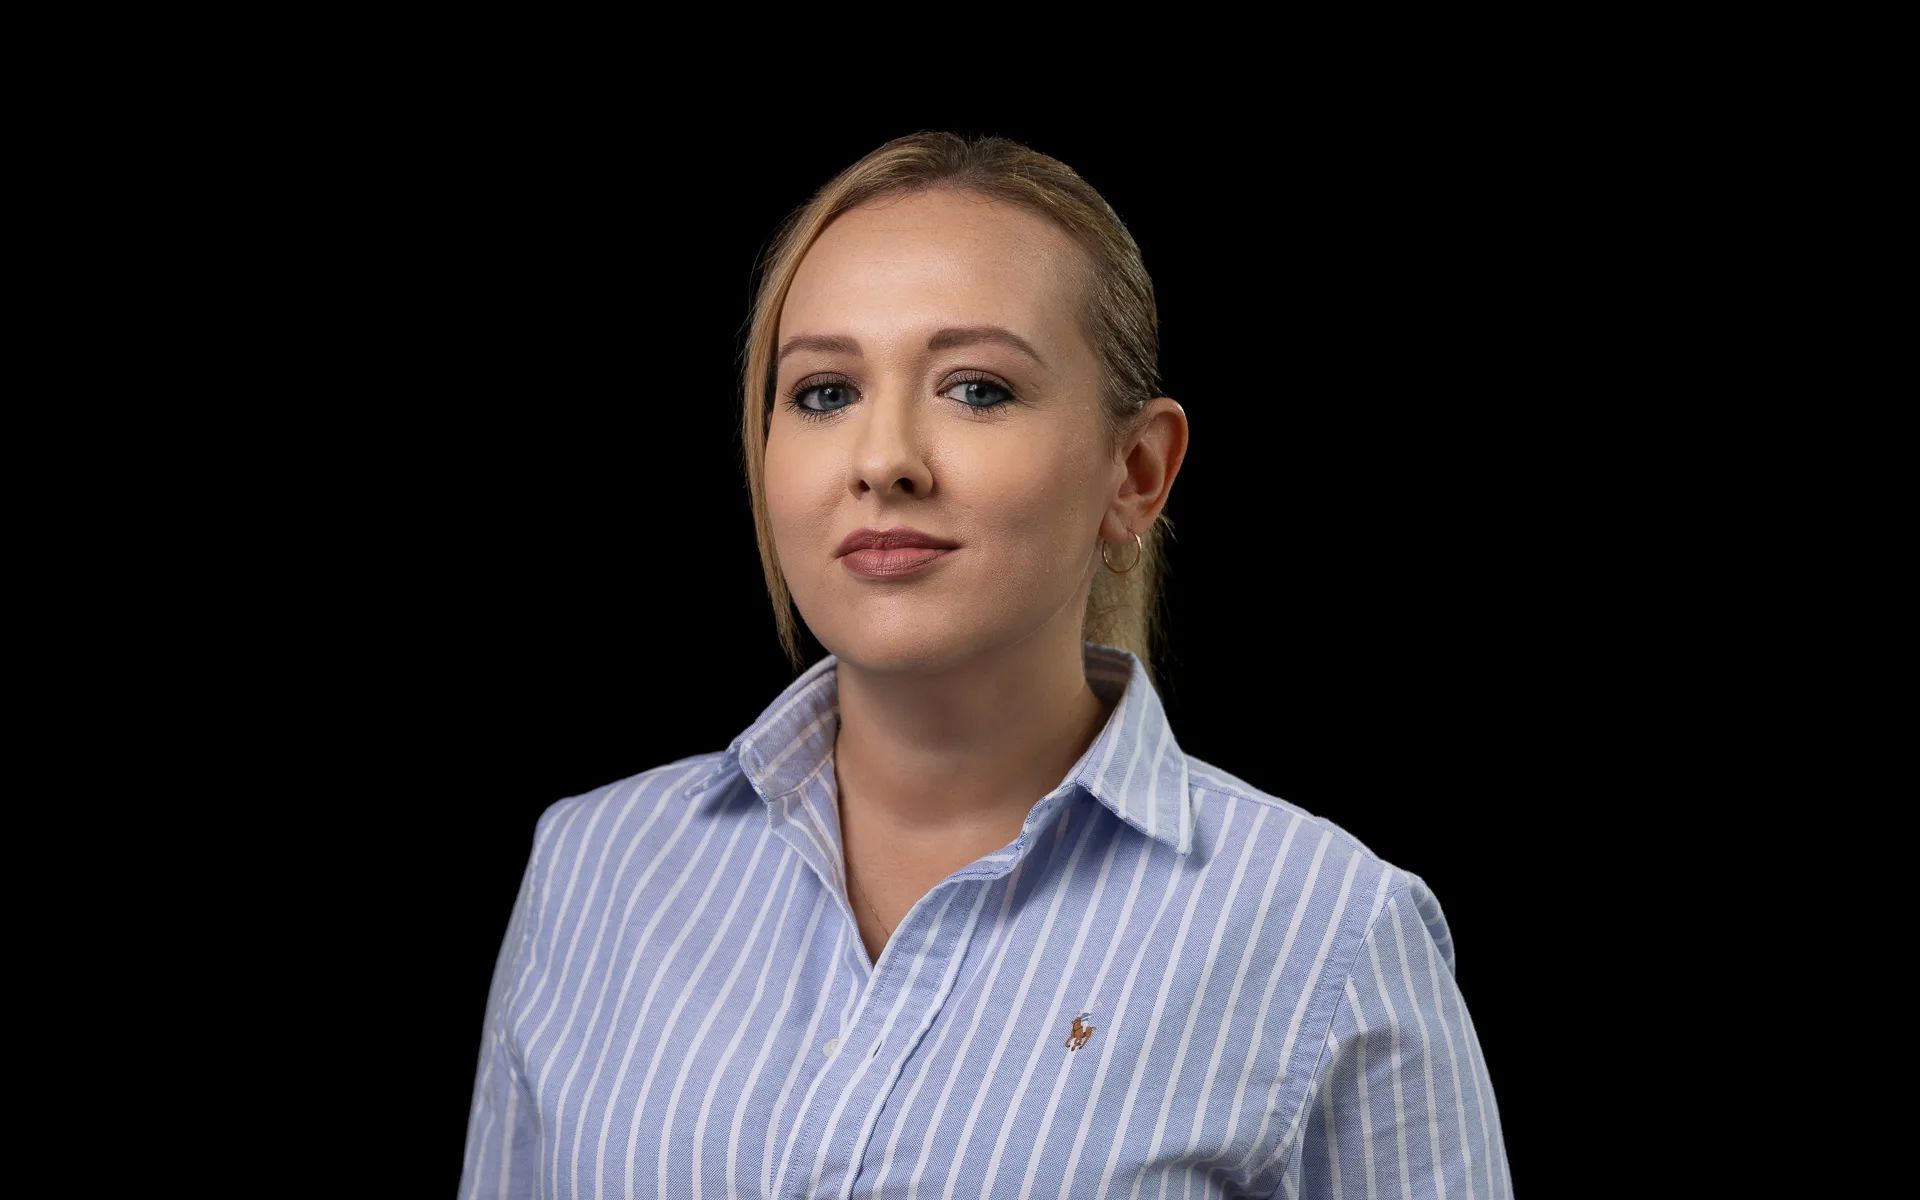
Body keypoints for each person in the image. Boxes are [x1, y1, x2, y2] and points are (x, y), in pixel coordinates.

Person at [460, 131, 1511, 1200]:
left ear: (1136, 473)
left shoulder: (1329, 931)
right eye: (824, 392)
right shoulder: (592, 867)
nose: (883, 462)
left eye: (976, 389)